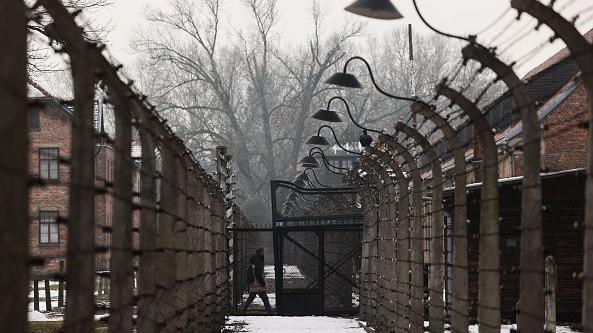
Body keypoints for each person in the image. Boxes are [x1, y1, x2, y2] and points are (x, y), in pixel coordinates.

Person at [241, 247, 272, 314]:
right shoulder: (258, 261)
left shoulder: (254, 260)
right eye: (263, 252)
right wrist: (263, 283)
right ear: (260, 252)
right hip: (258, 283)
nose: (264, 253)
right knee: (265, 299)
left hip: (253, 283)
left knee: (250, 299)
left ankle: (243, 310)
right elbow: (258, 274)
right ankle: (270, 312)